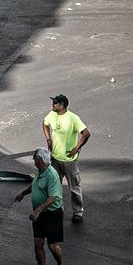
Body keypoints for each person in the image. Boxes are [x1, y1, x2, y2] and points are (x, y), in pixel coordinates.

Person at [19, 144, 68, 265]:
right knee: (38, 242)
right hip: (39, 215)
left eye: (35, 159)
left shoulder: (52, 175)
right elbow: (34, 185)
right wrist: (23, 193)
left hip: (52, 214)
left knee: (52, 246)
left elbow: (53, 197)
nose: (33, 162)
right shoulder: (40, 171)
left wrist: (37, 211)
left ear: (40, 159)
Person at [43, 93, 89, 221]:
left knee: (74, 188)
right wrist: (48, 139)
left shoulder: (73, 118)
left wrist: (76, 148)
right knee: (54, 186)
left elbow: (86, 133)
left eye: (55, 103)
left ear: (62, 105)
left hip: (70, 161)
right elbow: (45, 124)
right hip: (55, 159)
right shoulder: (52, 115)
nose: (52, 105)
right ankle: (58, 208)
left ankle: (78, 213)